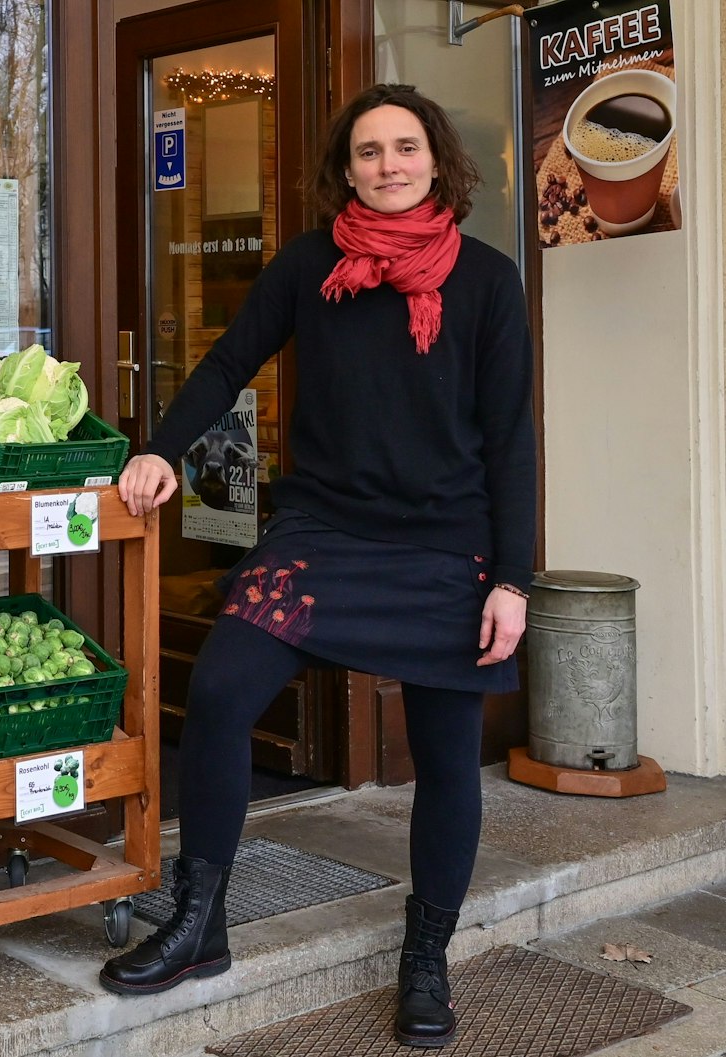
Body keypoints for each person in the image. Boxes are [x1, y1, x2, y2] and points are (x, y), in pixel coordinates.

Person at [98, 84, 535, 1051]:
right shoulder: (310, 266)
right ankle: (199, 921)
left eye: (405, 147)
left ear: (437, 160)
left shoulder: (488, 281)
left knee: (445, 754)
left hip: (443, 545)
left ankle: (426, 958)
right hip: (323, 531)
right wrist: (161, 448)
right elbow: (224, 364)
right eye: (369, 151)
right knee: (217, 693)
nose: (388, 165)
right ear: (346, 169)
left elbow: (511, 440)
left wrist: (514, 577)